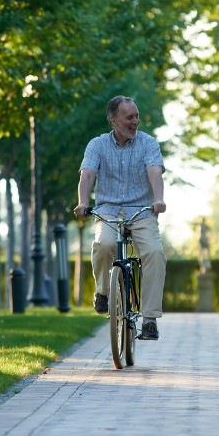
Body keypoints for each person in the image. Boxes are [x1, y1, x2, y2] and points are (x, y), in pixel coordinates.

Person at [73, 95, 168, 340]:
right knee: (103, 244)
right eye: (129, 117)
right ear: (114, 121)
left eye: (136, 116)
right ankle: (103, 292)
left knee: (154, 253)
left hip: (142, 211)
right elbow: (87, 176)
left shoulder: (148, 143)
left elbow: (155, 173)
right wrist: (83, 203)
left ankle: (149, 319)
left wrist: (158, 199)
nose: (135, 121)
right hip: (108, 211)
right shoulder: (97, 145)